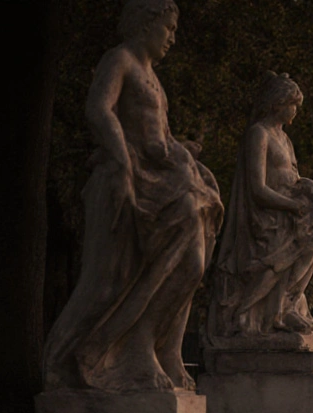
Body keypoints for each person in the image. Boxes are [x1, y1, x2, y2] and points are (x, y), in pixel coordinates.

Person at [43, 0, 223, 392]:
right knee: (107, 284)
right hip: (130, 181)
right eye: (169, 28)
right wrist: (123, 160)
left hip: (161, 181)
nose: (173, 37)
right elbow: (99, 109)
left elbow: (159, 134)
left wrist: (181, 148)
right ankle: (63, 361)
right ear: (146, 23)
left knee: (191, 264)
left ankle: (156, 346)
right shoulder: (120, 59)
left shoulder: (154, 77)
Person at [209, 72, 313, 340]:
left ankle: (287, 300)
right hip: (266, 217)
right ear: (277, 103)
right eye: (293, 105)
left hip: (285, 212)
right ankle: (257, 310)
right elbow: (257, 189)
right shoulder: (259, 134)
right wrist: (290, 206)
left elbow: (294, 179)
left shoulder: (285, 139)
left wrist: (308, 187)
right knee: (306, 228)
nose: (295, 112)